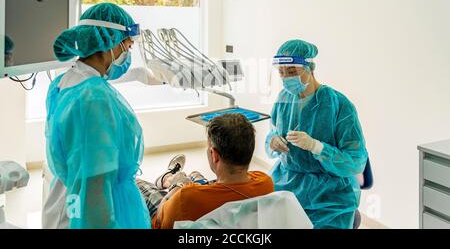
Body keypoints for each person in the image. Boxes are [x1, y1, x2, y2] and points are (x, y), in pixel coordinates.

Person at [43, 3, 150, 229]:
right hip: (89, 212)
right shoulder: (94, 99)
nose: (127, 55)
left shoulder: (65, 82)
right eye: (127, 47)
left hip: (67, 199)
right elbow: (94, 186)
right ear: (108, 43)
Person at [266, 39, 368, 229]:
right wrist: (273, 141)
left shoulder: (338, 105)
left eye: (292, 72)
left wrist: (317, 146)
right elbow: (271, 131)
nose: (286, 78)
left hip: (329, 196)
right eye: (282, 73)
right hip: (288, 185)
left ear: (309, 68)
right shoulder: (283, 99)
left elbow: (356, 161)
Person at [136, 113, 274, 229]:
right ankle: (170, 177)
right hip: (213, 192)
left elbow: (161, 222)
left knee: (140, 185)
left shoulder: (186, 197)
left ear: (214, 155)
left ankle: (169, 180)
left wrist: (176, 187)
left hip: (167, 209)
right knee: (195, 175)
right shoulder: (265, 182)